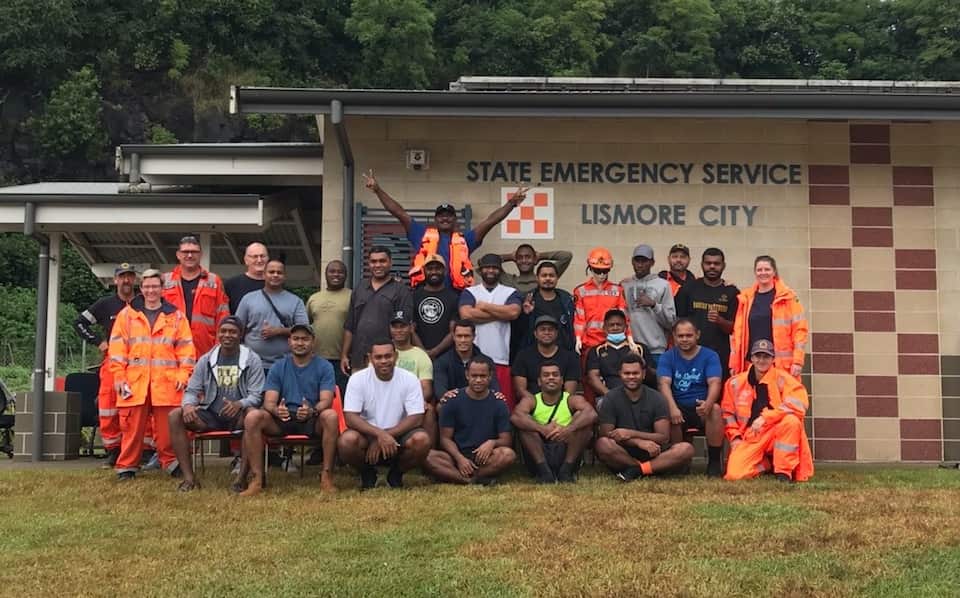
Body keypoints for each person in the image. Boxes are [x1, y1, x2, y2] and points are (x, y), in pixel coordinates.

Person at [362, 169, 528, 290]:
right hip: (425, 294)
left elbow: (490, 221)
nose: (445, 218)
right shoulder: (421, 234)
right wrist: (377, 190)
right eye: (441, 215)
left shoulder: (465, 240)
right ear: (435, 219)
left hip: (455, 295)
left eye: (449, 215)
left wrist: (512, 203)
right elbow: (399, 212)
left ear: (455, 219)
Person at [108, 269, 196, 480]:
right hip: (134, 382)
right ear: (141, 288)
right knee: (132, 429)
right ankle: (127, 467)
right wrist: (119, 377)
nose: (151, 290)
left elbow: (186, 350)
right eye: (147, 286)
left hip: (166, 382)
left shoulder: (176, 316)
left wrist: (184, 376)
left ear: (162, 288)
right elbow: (117, 349)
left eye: (155, 286)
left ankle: (172, 462)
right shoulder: (127, 315)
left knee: (168, 430)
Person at [238, 324, 340, 495]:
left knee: (330, 416)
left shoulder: (324, 367)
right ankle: (257, 479)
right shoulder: (278, 366)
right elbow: (269, 401)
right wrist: (277, 410)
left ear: (313, 342)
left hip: (311, 417)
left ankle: (326, 476)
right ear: (289, 342)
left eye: (305, 339)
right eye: (296, 339)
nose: (300, 343)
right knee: (253, 416)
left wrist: (312, 410)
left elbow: (326, 401)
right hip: (282, 418)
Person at [167, 316, 265, 492]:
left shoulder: (252, 359)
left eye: (233, 332)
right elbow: (192, 390)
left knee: (252, 415)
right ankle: (189, 479)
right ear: (218, 334)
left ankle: (241, 479)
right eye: (224, 331)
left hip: (239, 416)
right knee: (175, 415)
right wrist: (188, 405)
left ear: (240, 334)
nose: (228, 335)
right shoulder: (206, 359)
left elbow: (257, 395)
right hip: (211, 414)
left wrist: (239, 403)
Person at [338, 340, 431, 489]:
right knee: (346, 442)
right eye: (378, 357)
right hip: (367, 435)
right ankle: (367, 474)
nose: (383, 361)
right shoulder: (357, 379)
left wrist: (386, 435)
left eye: (388, 356)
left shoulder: (409, 379)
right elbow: (350, 417)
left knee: (422, 440)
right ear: (370, 358)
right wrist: (378, 435)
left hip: (400, 433)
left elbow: (416, 417)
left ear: (396, 356)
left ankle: (396, 474)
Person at [723, 339, 813, 482]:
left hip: (775, 430)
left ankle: (783, 473)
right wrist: (735, 438)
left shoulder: (784, 379)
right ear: (752, 358)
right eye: (758, 356)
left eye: (766, 356)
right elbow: (727, 414)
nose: (762, 360)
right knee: (734, 475)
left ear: (773, 359)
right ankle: (766, 464)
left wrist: (766, 418)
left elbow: (799, 405)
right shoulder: (735, 383)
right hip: (750, 435)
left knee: (791, 421)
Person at [74, 262, 138, 465]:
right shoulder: (105, 304)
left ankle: (140, 450)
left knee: (136, 407)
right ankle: (113, 449)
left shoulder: (142, 303)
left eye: (129, 276)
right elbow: (79, 322)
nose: (126, 280)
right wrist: (99, 343)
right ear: (115, 280)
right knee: (108, 405)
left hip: (138, 361)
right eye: (122, 276)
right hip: (112, 361)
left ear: (134, 279)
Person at [595, 354, 694, 481]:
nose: (631, 377)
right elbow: (606, 434)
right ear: (620, 374)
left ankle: (636, 471)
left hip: (654, 451)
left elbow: (663, 437)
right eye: (627, 373)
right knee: (603, 444)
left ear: (643, 374)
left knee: (686, 449)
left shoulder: (657, 398)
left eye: (635, 373)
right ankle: (646, 468)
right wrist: (638, 442)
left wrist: (630, 433)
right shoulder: (610, 398)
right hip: (624, 452)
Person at [424, 356, 516, 486]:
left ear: (490, 377)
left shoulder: (499, 404)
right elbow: (445, 439)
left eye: (483, 376)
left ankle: (465, 477)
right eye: (474, 376)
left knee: (508, 455)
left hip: (484, 456)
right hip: (456, 455)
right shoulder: (452, 401)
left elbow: (506, 440)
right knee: (428, 456)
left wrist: (492, 443)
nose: (478, 380)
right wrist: (459, 458)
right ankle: (469, 480)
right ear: (467, 375)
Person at [656, 319, 724, 476]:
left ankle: (714, 463)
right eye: (680, 336)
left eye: (689, 335)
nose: (684, 339)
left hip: (701, 407)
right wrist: (672, 408)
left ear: (697, 335)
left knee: (715, 409)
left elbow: (715, 382)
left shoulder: (710, 355)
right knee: (668, 412)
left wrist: (708, 403)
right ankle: (680, 463)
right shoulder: (667, 357)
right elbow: (663, 384)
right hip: (678, 406)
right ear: (674, 336)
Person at [511, 361, 597, 483]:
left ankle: (566, 472)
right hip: (540, 453)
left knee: (582, 419)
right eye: (546, 375)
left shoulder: (572, 399)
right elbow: (515, 416)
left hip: (566, 451)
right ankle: (544, 473)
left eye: (555, 375)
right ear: (539, 381)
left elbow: (591, 413)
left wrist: (567, 430)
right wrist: (543, 429)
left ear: (562, 380)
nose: (551, 377)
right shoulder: (531, 400)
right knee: (525, 423)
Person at [458, 254, 523, 410]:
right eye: (487, 267)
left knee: (502, 406)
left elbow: (513, 313)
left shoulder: (510, 292)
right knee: (474, 406)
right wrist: (501, 314)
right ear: (480, 270)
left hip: (501, 358)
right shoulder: (470, 292)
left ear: (500, 270)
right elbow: (466, 315)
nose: (491, 270)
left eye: (494, 267)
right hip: (474, 358)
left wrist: (484, 306)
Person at [729, 255, 808, 378]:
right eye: (759, 270)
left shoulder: (788, 298)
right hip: (751, 364)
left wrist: (797, 361)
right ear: (755, 272)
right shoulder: (746, 299)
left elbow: (800, 331)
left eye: (767, 269)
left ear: (774, 272)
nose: (763, 273)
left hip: (780, 365)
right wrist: (734, 364)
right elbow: (737, 335)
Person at [341, 246, 413, 375]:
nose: (378, 265)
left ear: (390, 262)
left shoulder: (400, 290)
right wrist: (344, 354)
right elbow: (350, 325)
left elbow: (404, 328)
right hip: (359, 358)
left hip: (386, 360)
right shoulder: (360, 287)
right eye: (374, 261)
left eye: (382, 261)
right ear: (369, 264)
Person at [573, 247, 629, 404]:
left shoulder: (617, 290)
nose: (601, 274)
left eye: (605, 271)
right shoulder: (581, 291)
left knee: (617, 377)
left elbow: (624, 318)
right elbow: (579, 318)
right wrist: (578, 339)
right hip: (589, 344)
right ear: (590, 268)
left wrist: (629, 339)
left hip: (613, 343)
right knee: (589, 382)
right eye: (597, 271)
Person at [235, 259, 308, 374]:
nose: (275, 275)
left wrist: (279, 331)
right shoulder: (248, 299)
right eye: (271, 272)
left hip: (285, 364)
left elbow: (304, 331)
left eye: (279, 273)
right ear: (264, 275)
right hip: (252, 364)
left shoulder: (295, 301)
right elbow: (237, 329)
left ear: (284, 276)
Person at [675, 248, 738, 379]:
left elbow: (735, 328)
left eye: (716, 263)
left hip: (720, 355)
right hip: (690, 353)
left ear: (723, 266)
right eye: (708, 263)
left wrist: (720, 321)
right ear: (702, 265)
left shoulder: (732, 292)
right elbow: (676, 322)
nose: (712, 267)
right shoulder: (688, 289)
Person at [162, 235, 230, 357]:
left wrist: (219, 348)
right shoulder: (165, 281)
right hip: (170, 351)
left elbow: (223, 317)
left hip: (205, 351)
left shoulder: (214, 281)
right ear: (178, 254)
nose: (189, 255)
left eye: (194, 252)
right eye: (185, 252)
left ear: (200, 255)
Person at [621, 244, 676, 369]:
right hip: (631, 348)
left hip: (656, 350)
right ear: (632, 262)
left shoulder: (663, 285)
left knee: (658, 386)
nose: (640, 264)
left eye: (644, 261)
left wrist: (654, 305)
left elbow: (671, 321)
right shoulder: (625, 285)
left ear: (652, 262)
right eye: (637, 260)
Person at [586, 309, 656, 399]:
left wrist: (642, 363)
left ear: (626, 328)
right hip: (608, 397)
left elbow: (653, 376)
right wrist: (610, 396)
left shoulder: (639, 348)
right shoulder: (596, 351)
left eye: (619, 324)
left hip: (640, 397)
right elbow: (592, 378)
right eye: (611, 325)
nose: (615, 328)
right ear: (604, 328)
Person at [511, 315, 580, 404]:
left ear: (556, 333)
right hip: (532, 404)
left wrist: (555, 407)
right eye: (542, 329)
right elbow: (520, 390)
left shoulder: (570, 357)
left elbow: (569, 391)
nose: (547, 332)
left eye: (550, 329)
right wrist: (539, 406)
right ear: (535, 333)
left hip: (562, 405)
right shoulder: (523, 356)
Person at [306, 260, 352, 393]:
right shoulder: (314, 298)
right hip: (316, 359)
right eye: (332, 271)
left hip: (342, 360)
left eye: (340, 272)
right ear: (325, 274)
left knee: (341, 397)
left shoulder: (353, 296)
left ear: (346, 275)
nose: (336, 275)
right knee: (317, 395)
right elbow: (306, 327)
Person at [390, 310, 436, 441]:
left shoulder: (420, 355)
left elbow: (426, 389)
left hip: (411, 402)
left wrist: (410, 402)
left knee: (429, 409)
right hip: (385, 400)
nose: (398, 330)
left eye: (403, 326)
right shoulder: (383, 351)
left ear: (411, 328)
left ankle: (429, 453)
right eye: (395, 327)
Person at [432, 319, 500, 399]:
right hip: (454, 402)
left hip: (479, 401)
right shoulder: (441, 362)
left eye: (467, 336)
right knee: (441, 406)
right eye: (459, 336)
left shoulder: (487, 362)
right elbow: (440, 390)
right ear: (453, 337)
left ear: (474, 337)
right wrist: (446, 395)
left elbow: (494, 389)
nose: (463, 340)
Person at [412, 254, 459, 359]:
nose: (434, 272)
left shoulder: (454, 297)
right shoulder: (414, 296)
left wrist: (434, 352)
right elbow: (411, 329)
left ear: (445, 271)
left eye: (438, 268)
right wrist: (423, 352)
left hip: (446, 356)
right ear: (424, 271)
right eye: (430, 269)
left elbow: (454, 331)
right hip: (418, 355)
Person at [521, 261, 576, 352]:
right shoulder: (528, 299)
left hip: (563, 353)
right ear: (537, 278)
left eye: (551, 275)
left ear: (557, 278)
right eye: (544, 275)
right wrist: (525, 314)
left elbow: (571, 328)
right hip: (535, 354)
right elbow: (520, 331)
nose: (548, 278)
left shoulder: (566, 299)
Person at [499, 244, 573, 294]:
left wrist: (540, 256)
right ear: (516, 260)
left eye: (528, 257)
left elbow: (566, 256)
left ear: (534, 259)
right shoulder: (509, 280)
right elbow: (490, 259)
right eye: (520, 257)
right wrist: (510, 256)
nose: (524, 260)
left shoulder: (544, 277)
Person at [225, 242, 269, 314]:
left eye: (262, 256)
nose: (259, 260)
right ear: (246, 260)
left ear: (268, 259)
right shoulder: (231, 285)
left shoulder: (275, 284)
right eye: (255, 256)